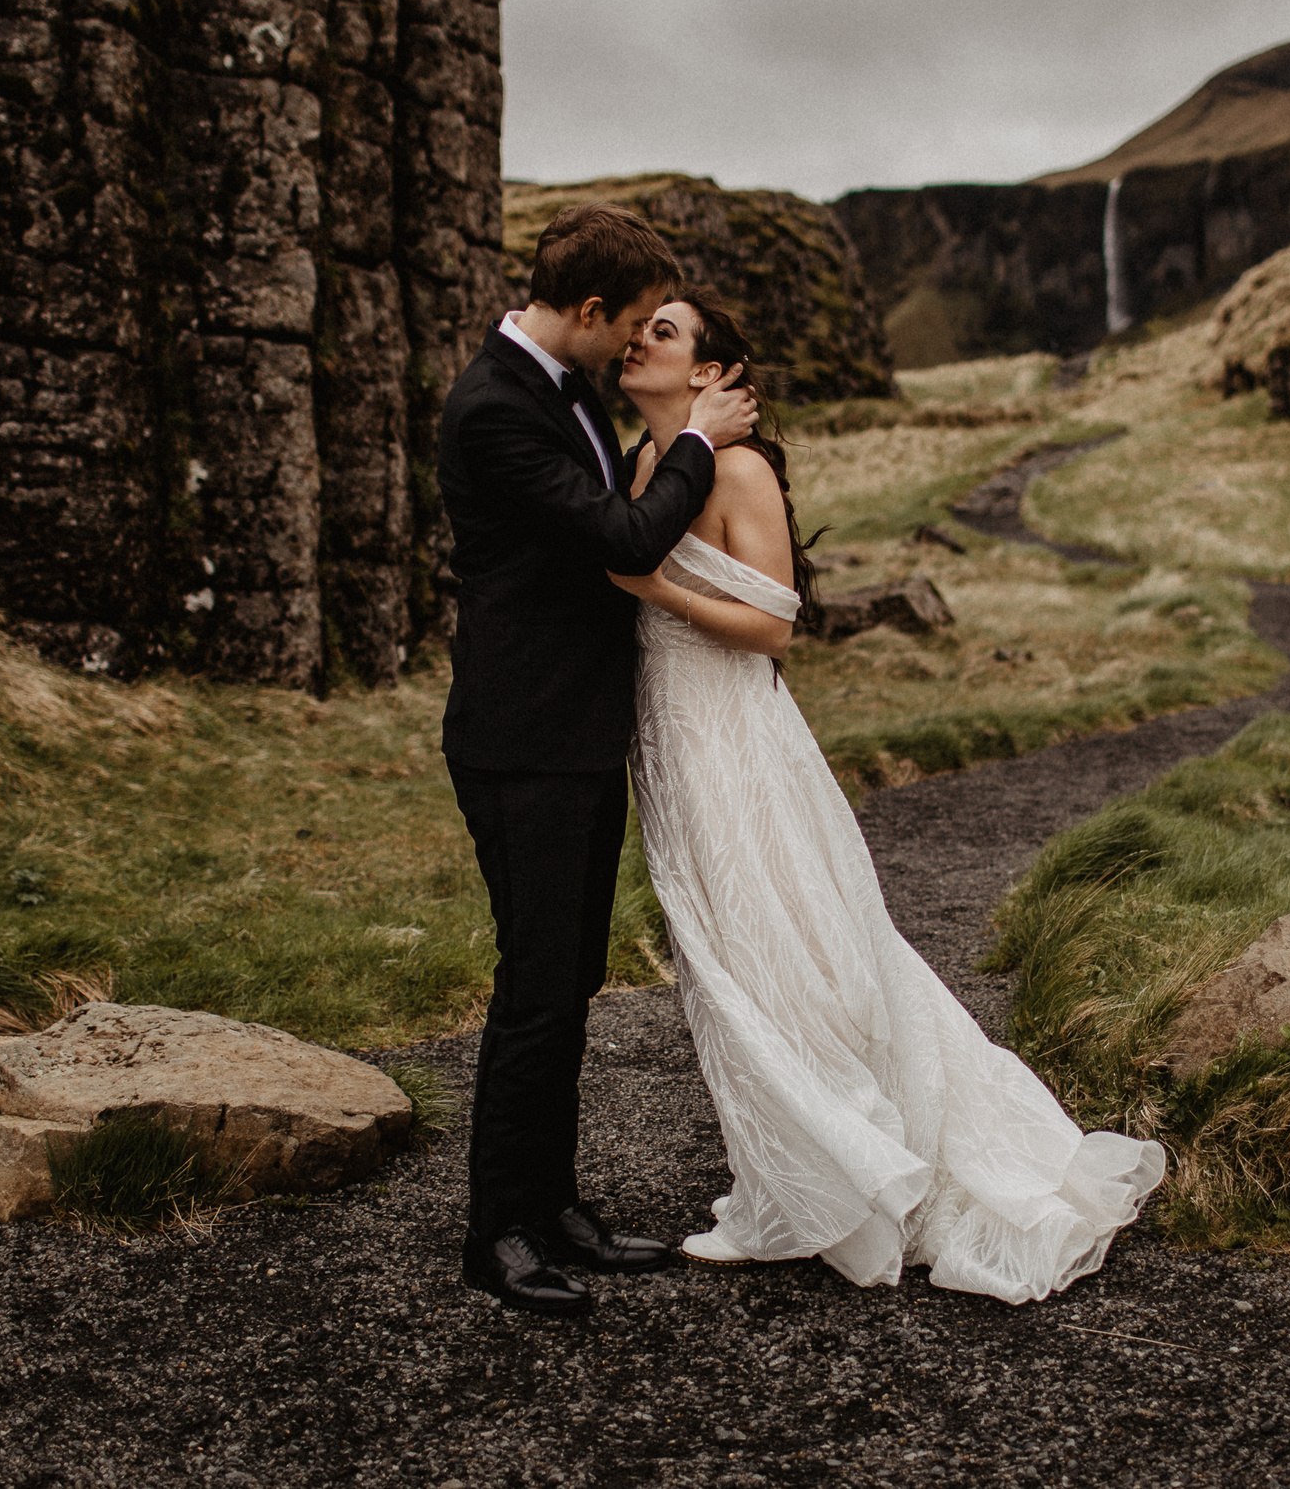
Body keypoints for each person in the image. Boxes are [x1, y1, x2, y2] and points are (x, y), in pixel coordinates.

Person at [608, 286, 1166, 1305]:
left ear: (704, 369)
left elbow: (773, 626)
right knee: (719, 945)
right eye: (638, 327)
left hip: (732, 730)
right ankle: (784, 1176)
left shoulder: (734, 468)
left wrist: (648, 588)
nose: (636, 341)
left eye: (663, 331)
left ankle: (829, 1185)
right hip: (671, 736)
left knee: (781, 943)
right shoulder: (647, 463)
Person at [437, 206, 759, 1317]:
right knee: (534, 989)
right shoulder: (492, 408)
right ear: (584, 311)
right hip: (520, 740)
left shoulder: (562, 388)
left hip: (574, 736)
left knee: (568, 982)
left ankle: (554, 1206)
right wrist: (700, 441)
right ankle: (497, 1236)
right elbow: (621, 540)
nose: (631, 347)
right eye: (625, 324)